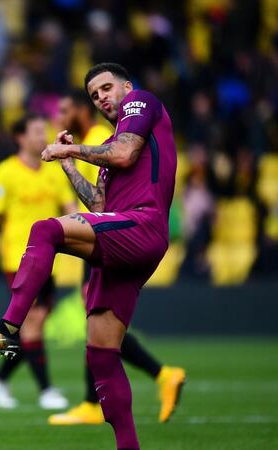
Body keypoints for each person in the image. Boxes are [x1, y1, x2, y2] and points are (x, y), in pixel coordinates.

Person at [0, 63, 177, 450]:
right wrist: (68, 164)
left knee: (46, 229)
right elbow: (98, 202)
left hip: (141, 227)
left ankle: (7, 330)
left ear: (127, 85)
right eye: (95, 95)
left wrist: (70, 146)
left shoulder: (141, 104)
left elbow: (123, 154)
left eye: (107, 88)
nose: (102, 98)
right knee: (101, 355)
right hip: (126, 239)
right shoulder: (112, 154)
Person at [50, 91, 186, 426]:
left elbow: (103, 204)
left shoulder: (102, 137)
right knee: (96, 321)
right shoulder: (95, 137)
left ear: (82, 112)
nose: (61, 116)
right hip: (109, 227)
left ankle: (97, 399)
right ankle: (149, 378)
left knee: (97, 319)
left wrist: (69, 153)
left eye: (66, 109)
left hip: (117, 231)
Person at [0, 113, 75, 410]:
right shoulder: (4, 173)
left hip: (49, 263)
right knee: (32, 325)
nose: (43, 136)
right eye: (37, 131)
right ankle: (46, 390)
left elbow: (71, 210)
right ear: (20, 137)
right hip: (17, 260)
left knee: (32, 328)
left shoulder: (54, 172)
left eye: (45, 130)